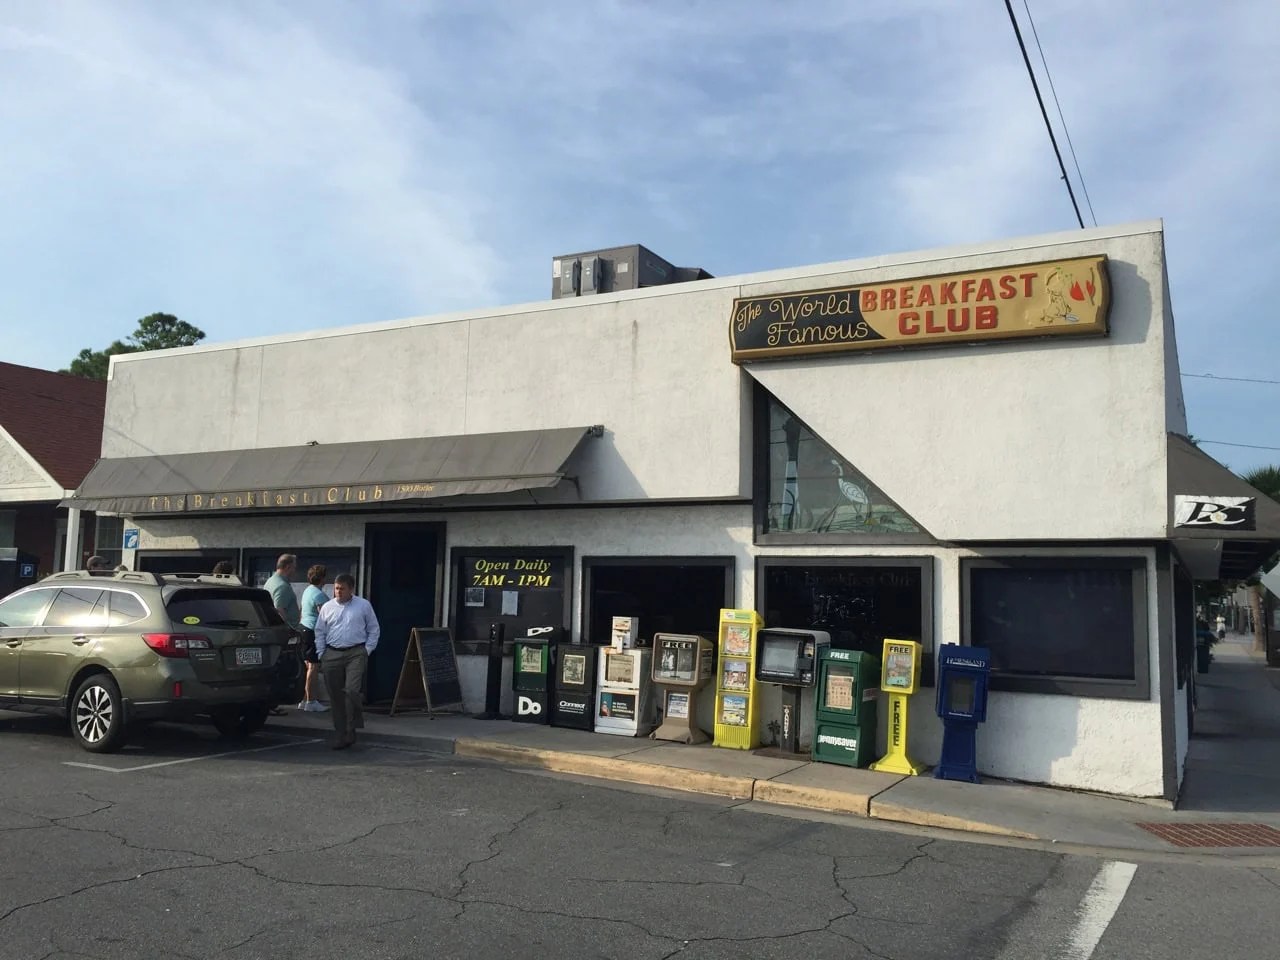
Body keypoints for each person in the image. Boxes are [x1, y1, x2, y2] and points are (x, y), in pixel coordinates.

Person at [314, 573, 380, 749]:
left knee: (351, 691)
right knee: (335, 697)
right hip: (332, 653)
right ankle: (341, 733)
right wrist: (321, 653)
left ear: (351, 589)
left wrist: (367, 650)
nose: (338, 592)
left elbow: (374, 629)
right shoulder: (327, 607)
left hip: (356, 653)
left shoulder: (363, 605)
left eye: (342, 589)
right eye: (336, 588)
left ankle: (352, 727)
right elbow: (319, 631)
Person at [264, 554, 301, 715]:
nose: (295, 570)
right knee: (283, 669)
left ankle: (270, 702)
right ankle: (273, 702)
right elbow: (279, 610)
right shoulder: (282, 586)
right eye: (293, 567)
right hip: (283, 635)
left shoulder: (270, 581)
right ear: (287, 567)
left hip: (272, 633)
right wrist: (290, 629)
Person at [297, 564, 330, 713]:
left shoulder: (307, 591)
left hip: (303, 629)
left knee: (308, 665)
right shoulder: (319, 594)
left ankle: (304, 699)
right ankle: (311, 701)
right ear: (322, 578)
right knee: (313, 666)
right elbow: (325, 616)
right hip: (312, 631)